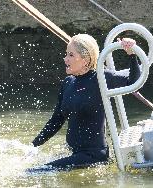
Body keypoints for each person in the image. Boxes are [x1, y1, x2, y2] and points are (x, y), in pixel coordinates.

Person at [28, 34, 140, 172]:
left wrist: (131, 53)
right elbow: (56, 120)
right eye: (66, 54)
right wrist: (33, 145)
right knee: (35, 168)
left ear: (85, 59)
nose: (65, 59)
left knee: (33, 172)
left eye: (70, 55)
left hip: (93, 157)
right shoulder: (68, 83)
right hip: (74, 153)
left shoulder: (101, 78)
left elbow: (134, 82)